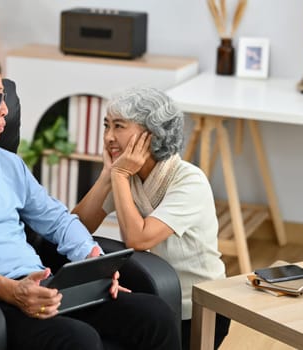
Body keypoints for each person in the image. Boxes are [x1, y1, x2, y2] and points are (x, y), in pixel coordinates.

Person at [0, 52, 181, 350]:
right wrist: (9, 289)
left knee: (155, 316)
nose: (5, 110)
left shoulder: (8, 164)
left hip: (41, 285)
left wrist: (92, 259)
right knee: (79, 340)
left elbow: (57, 219)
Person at [72, 87, 230, 349]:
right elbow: (76, 228)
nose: (109, 137)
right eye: (106, 126)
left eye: (119, 126)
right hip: (152, 294)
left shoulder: (189, 180)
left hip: (197, 306)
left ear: (151, 133)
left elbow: (139, 239)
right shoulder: (127, 174)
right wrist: (106, 176)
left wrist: (119, 176)